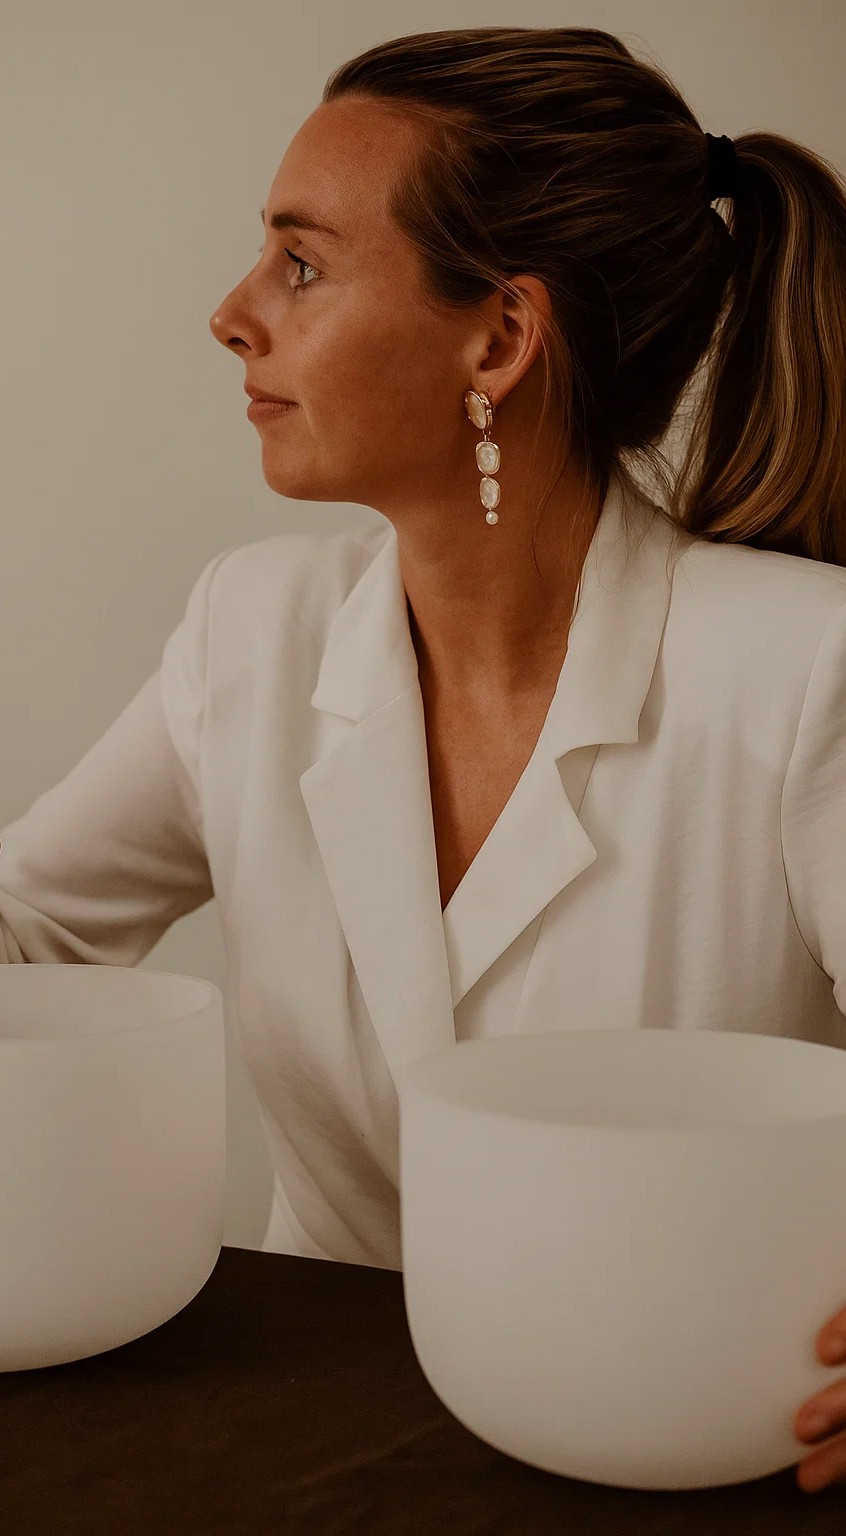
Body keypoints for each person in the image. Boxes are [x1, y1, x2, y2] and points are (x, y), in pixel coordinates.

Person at [2, 25, 846, 1492]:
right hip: (296, 1415)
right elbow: (33, 932)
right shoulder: (252, 632)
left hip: (681, 1433)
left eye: (301, 264)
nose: (231, 313)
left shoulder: (801, 671)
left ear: (499, 339)